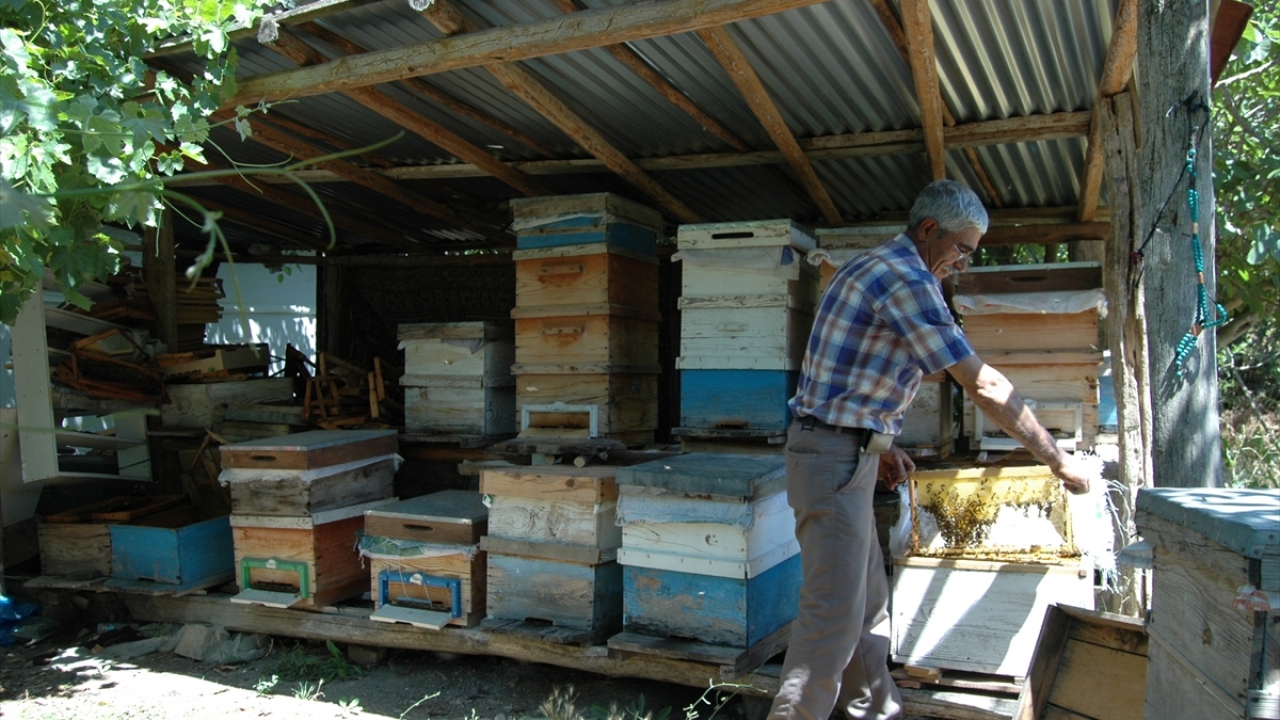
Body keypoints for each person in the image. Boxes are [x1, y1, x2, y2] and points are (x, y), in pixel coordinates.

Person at [767, 179, 1095, 720]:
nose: (964, 263)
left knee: (867, 613)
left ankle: (875, 713)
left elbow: (847, 376)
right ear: (928, 231)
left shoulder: (874, 265)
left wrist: (880, 444)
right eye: (962, 248)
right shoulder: (906, 279)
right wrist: (1055, 458)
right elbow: (983, 385)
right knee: (832, 618)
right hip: (831, 460)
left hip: (844, 453)